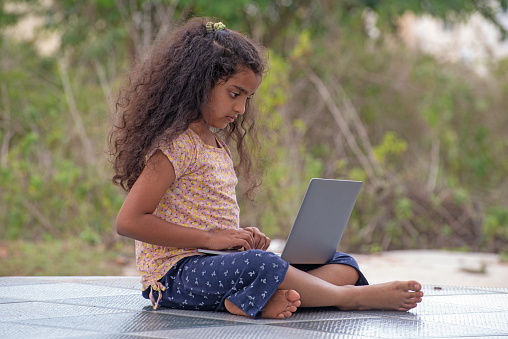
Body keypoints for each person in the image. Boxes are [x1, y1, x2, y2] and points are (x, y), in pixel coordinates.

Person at [109, 18, 423, 319]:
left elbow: (213, 223)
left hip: (223, 265)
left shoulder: (216, 146)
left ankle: (255, 300)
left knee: (344, 263)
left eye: (247, 97)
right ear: (199, 84)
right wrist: (209, 239)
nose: (241, 108)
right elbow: (129, 221)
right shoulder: (176, 146)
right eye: (235, 94)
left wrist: (240, 237)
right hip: (175, 277)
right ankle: (347, 298)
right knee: (262, 266)